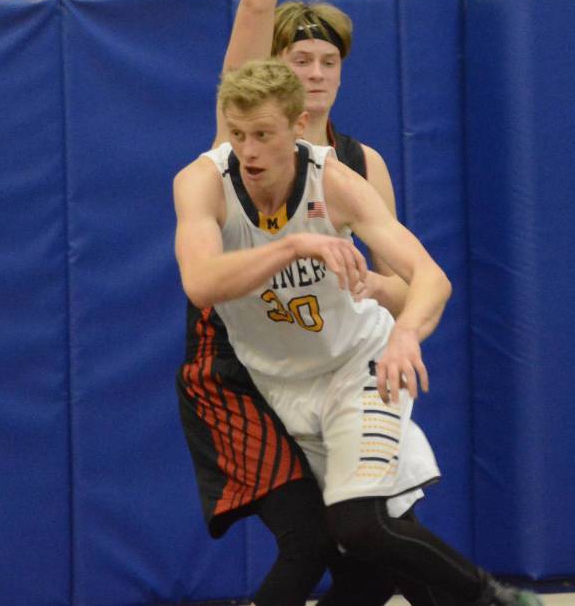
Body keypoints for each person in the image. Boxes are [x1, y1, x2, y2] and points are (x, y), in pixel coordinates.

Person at [173, 57, 543, 606]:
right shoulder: (203, 181)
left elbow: (430, 278)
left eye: (263, 135)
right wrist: (296, 246)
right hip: (280, 388)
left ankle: (493, 598)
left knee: (360, 525)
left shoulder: (336, 181)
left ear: (298, 127)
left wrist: (406, 335)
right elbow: (201, 283)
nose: (247, 151)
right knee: (361, 555)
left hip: (358, 367)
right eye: (237, 134)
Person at [177, 0, 409, 606]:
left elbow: (404, 282)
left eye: (325, 62)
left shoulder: (354, 165)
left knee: (366, 556)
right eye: (296, 58)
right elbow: (253, 4)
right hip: (243, 368)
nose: (312, 72)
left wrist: (388, 295)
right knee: (309, 542)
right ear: (272, 71)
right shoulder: (239, 129)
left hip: (329, 364)